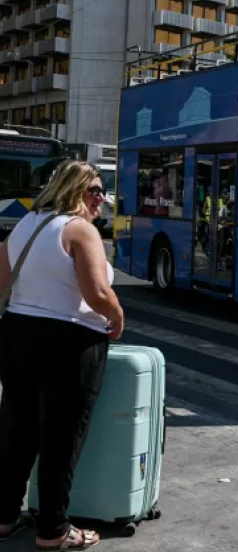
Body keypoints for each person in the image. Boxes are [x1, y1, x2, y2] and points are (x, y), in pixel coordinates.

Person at [0, 160, 124, 550]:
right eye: (95, 190)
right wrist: (117, 314)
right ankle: (53, 529)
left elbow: (2, 279)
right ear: (74, 189)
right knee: (61, 436)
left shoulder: (26, 224)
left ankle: (4, 516)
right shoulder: (80, 230)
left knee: (17, 431)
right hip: (68, 341)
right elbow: (97, 294)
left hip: (17, 332)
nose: (101, 199)